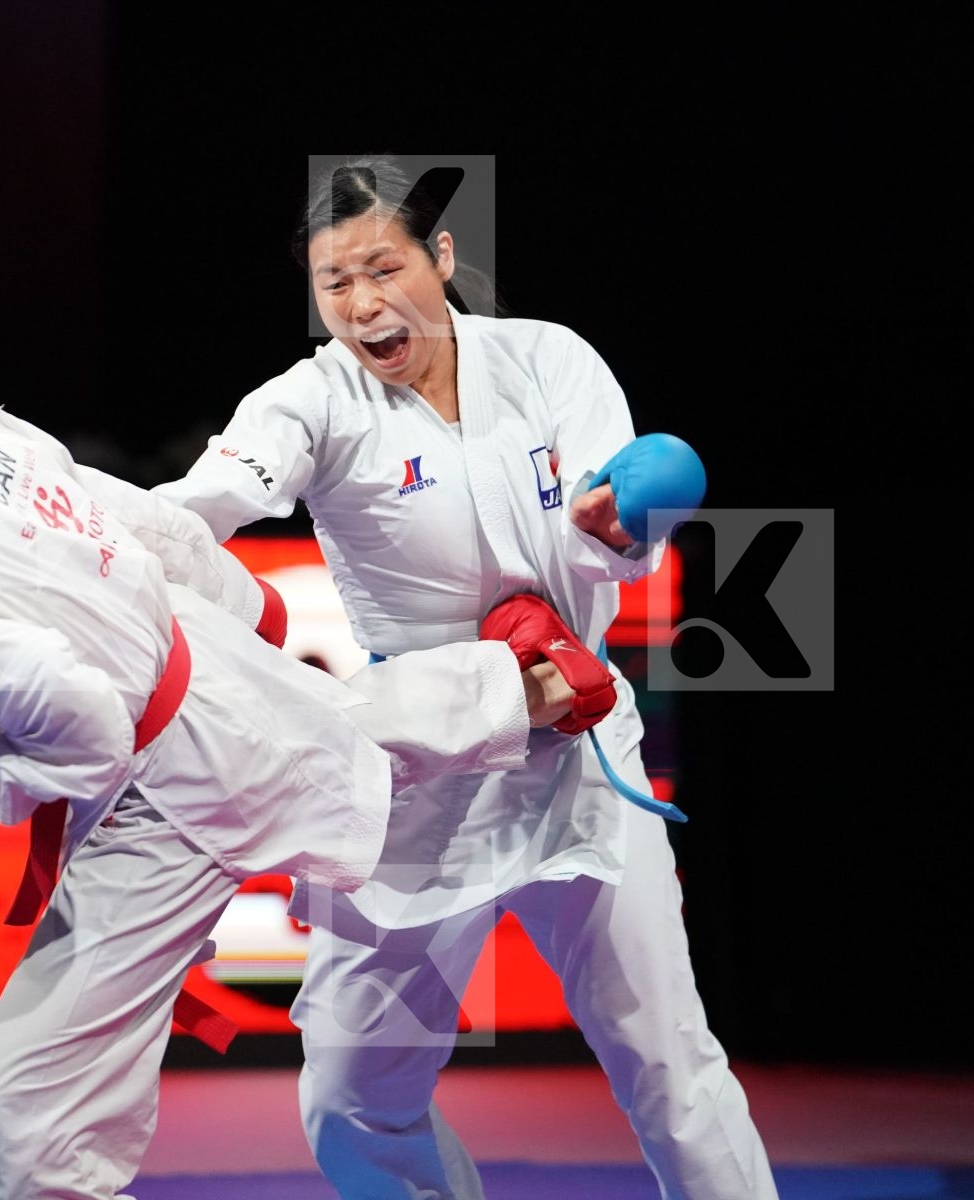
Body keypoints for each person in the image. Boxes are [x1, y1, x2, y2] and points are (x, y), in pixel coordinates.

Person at [0, 293, 611, 1200]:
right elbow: (130, 522)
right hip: (189, 647)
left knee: (30, 1114)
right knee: (329, 731)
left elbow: (87, 728)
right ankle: (525, 683)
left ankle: (518, 686)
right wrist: (245, 608)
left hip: (163, 792)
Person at [153, 158, 777, 1200]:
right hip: (421, 778)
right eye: (334, 283)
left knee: (671, 1066)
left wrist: (621, 528)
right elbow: (203, 503)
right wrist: (98, 549)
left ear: (440, 258)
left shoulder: (549, 362)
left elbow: (613, 527)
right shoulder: (311, 400)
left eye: (383, 268)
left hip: (579, 758)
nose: (361, 306)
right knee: (352, 1098)